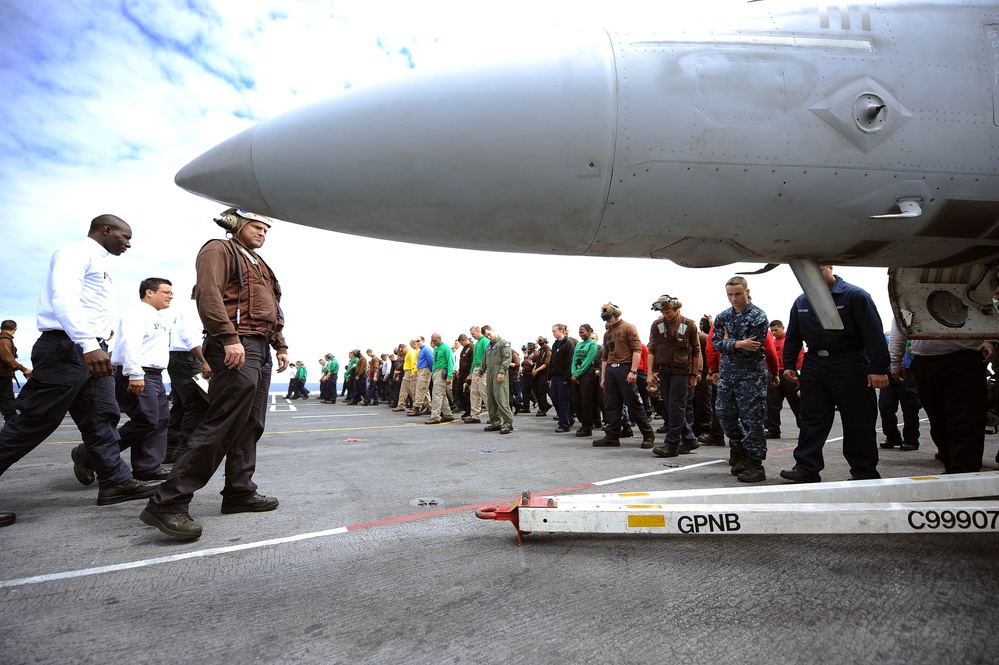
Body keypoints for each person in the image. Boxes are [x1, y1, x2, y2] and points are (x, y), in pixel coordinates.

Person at [0, 215, 160, 527]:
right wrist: (88, 343)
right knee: (34, 421)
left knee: (102, 416)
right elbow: (64, 299)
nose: (128, 243)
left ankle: (115, 481)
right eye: (125, 237)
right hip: (68, 348)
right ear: (106, 230)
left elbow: (89, 307)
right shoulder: (75, 253)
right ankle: (115, 479)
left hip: (88, 350)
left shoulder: (101, 265)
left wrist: (99, 339)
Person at [140, 208, 289, 540]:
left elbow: (274, 309)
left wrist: (280, 345)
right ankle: (168, 502)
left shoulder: (261, 265)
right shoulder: (218, 249)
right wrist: (228, 337)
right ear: (236, 223)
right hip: (236, 345)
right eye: (256, 225)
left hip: (260, 348)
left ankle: (239, 492)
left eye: (267, 228)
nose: (263, 232)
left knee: (251, 424)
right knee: (222, 423)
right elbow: (208, 295)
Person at [779, 265, 889, 483]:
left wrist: (878, 368)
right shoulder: (801, 301)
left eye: (819, 268)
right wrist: (789, 364)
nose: (813, 274)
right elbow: (793, 335)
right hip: (814, 363)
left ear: (830, 267)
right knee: (811, 418)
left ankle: (864, 471)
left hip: (850, 362)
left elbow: (873, 333)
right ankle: (806, 468)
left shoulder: (855, 296)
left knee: (858, 419)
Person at [74, 277, 175, 482]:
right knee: (146, 420)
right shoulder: (136, 313)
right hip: (138, 373)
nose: (171, 296)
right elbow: (130, 344)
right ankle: (88, 453)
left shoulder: (159, 318)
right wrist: (135, 374)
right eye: (166, 292)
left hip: (155, 375)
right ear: (149, 292)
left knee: (161, 420)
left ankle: (147, 467)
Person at [890, 320, 996, 473]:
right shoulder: (907, 296)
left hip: (965, 357)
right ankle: (951, 467)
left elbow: (984, 311)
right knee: (938, 422)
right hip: (924, 361)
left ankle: (964, 472)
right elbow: (899, 325)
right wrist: (895, 361)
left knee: (966, 421)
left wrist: (991, 340)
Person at [711, 277, 776, 482]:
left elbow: (754, 346)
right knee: (724, 414)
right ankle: (739, 450)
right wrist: (739, 343)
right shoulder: (722, 317)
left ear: (747, 292)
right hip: (728, 375)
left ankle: (755, 463)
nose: (733, 298)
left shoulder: (758, 316)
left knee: (752, 420)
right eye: (729, 294)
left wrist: (728, 342)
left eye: (737, 294)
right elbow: (715, 343)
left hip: (751, 376)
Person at [593, 303, 656, 448]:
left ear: (615, 314)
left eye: (608, 317)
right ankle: (612, 437)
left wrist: (633, 371)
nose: (606, 320)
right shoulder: (607, 333)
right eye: (604, 318)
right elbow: (605, 357)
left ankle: (648, 435)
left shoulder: (628, 327)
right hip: (611, 370)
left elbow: (637, 350)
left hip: (625, 368)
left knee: (634, 403)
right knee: (612, 405)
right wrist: (603, 377)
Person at [647, 294, 702, 458]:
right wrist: (650, 372)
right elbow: (652, 349)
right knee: (671, 406)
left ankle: (671, 444)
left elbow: (696, 351)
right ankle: (689, 439)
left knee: (676, 406)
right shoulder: (657, 325)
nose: (666, 315)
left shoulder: (689, 325)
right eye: (663, 312)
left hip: (682, 372)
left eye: (668, 311)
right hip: (664, 371)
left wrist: (694, 374)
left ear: (677, 309)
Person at [165, 288, 211, 463]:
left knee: (181, 405)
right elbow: (190, 336)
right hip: (190, 358)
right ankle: (184, 449)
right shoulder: (195, 309)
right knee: (197, 404)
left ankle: (171, 449)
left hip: (179, 359)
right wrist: (204, 361)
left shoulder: (184, 309)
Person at [879, 322, 921, 450]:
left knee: (910, 408)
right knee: (885, 407)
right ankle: (892, 437)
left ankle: (911, 440)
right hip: (889, 371)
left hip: (907, 372)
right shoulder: (888, 336)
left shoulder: (913, 333)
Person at [479, 325, 514, 434]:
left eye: (489, 334)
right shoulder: (488, 347)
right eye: (486, 336)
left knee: (501, 398)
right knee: (491, 399)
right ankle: (495, 422)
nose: (488, 337)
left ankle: (508, 423)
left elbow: (507, 358)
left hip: (499, 374)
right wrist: (479, 373)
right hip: (490, 374)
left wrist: (502, 371)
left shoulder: (504, 343)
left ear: (493, 330)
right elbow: (484, 361)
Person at [570, 324, 599, 437]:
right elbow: (574, 360)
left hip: (586, 372)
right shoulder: (578, 344)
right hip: (576, 373)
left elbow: (588, 361)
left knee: (586, 400)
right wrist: (573, 373)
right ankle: (583, 422)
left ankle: (587, 427)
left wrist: (578, 374)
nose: (581, 334)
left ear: (589, 332)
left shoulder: (592, 344)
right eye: (579, 332)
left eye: (583, 332)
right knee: (576, 400)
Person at [0, 320, 31, 423]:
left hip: (4, 376)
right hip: (2, 376)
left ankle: (11, 425)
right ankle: (11, 427)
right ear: (15, 329)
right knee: (7, 402)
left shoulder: (4, 339)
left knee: (8, 404)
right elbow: (8, 359)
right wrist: (23, 368)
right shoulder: (4, 340)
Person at [548, 324, 576, 433]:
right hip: (554, 376)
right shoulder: (555, 344)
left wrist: (566, 377)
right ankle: (567, 418)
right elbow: (552, 361)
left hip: (563, 376)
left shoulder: (568, 344)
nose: (553, 333)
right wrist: (549, 376)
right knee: (554, 397)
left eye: (554, 331)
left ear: (561, 330)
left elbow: (570, 361)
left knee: (563, 400)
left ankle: (564, 424)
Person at [425, 333, 455, 424]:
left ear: (439, 339)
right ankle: (447, 414)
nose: (433, 342)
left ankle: (435, 416)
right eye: (432, 341)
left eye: (435, 340)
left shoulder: (445, 348)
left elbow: (450, 362)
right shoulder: (436, 348)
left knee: (437, 394)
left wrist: (449, 376)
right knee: (442, 394)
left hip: (442, 371)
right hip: (436, 372)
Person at [464, 326, 489, 424]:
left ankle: (493, 415)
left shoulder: (485, 341)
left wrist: (484, 369)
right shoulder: (477, 343)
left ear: (479, 331)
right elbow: (474, 360)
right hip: (476, 368)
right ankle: (475, 415)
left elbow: (488, 356)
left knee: (484, 391)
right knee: (474, 392)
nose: (472, 336)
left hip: (483, 368)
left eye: (473, 334)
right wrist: (471, 372)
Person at [532, 336, 552, 416]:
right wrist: (534, 369)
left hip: (544, 373)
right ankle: (544, 405)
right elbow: (537, 362)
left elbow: (546, 364)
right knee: (536, 390)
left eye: (541, 342)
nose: (540, 343)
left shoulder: (548, 351)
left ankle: (543, 408)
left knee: (541, 391)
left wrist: (536, 370)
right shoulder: (540, 350)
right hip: (538, 373)